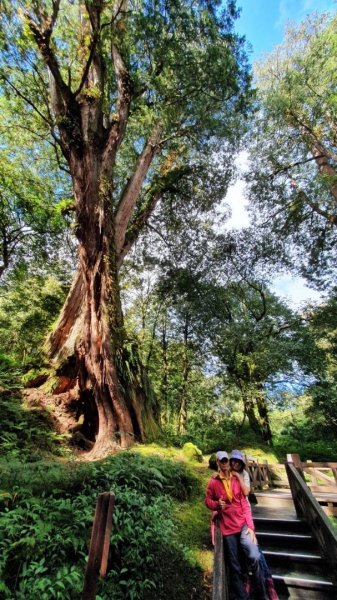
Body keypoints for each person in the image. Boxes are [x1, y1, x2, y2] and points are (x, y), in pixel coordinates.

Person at [205, 450, 268, 600]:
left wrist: (251, 527)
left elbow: (244, 503)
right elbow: (207, 501)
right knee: (234, 565)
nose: (226, 463)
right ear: (218, 463)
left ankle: (262, 593)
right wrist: (216, 505)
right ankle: (242, 596)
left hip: (242, 525)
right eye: (223, 461)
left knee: (254, 555)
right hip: (227, 529)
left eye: (227, 460)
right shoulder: (213, 482)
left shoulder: (236, 478)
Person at [229, 450, 279, 600]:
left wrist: (237, 476)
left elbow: (246, 492)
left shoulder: (243, 474)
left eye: (238, 462)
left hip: (246, 515)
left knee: (254, 548)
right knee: (243, 549)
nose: (235, 463)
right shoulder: (226, 471)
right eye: (233, 461)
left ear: (242, 463)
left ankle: (267, 582)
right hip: (233, 518)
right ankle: (249, 580)